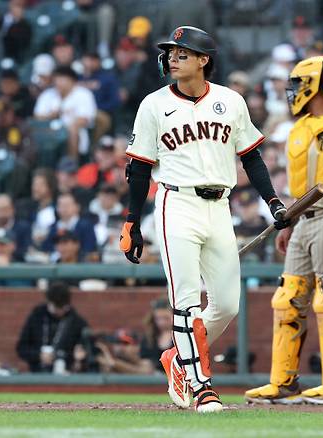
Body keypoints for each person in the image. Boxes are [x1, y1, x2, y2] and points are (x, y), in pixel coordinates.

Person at [120, 26, 287, 413]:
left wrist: (274, 201)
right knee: (186, 303)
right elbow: (140, 169)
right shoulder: (153, 104)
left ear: (203, 60)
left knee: (227, 304)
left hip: (218, 207)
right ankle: (201, 387)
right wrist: (132, 221)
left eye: (182, 52)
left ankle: (177, 357)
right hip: (175, 203)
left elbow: (252, 158)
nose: (173, 58)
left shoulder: (230, 101)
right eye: (172, 53)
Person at [245, 56, 323, 405]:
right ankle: (283, 383)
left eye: (300, 85)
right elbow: (305, 187)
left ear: (318, 85)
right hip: (305, 219)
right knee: (287, 301)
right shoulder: (303, 127)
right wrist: (292, 222)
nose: (294, 92)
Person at [16, 282, 89, 373]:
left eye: (62, 307)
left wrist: (77, 359)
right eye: (56, 307)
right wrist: (39, 355)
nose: (59, 311)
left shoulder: (76, 322)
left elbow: (85, 353)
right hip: (37, 372)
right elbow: (21, 348)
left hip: (65, 373)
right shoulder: (37, 316)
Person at [34, 66, 97, 159]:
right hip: (49, 131)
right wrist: (50, 116)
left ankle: (71, 165)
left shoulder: (83, 94)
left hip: (73, 132)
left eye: (62, 79)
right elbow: (37, 116)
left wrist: (66, 126)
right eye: (56, 79)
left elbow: (86, 119)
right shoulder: (47, 94)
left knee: (72, 129)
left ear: (72, 81)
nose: (58, 83)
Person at [140, 298, 174, 371]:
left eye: (166, 318)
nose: (162, 323)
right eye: (158, 319)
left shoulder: (182, 336)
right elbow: (144, 359)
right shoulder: (149, 336)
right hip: (153, 376)